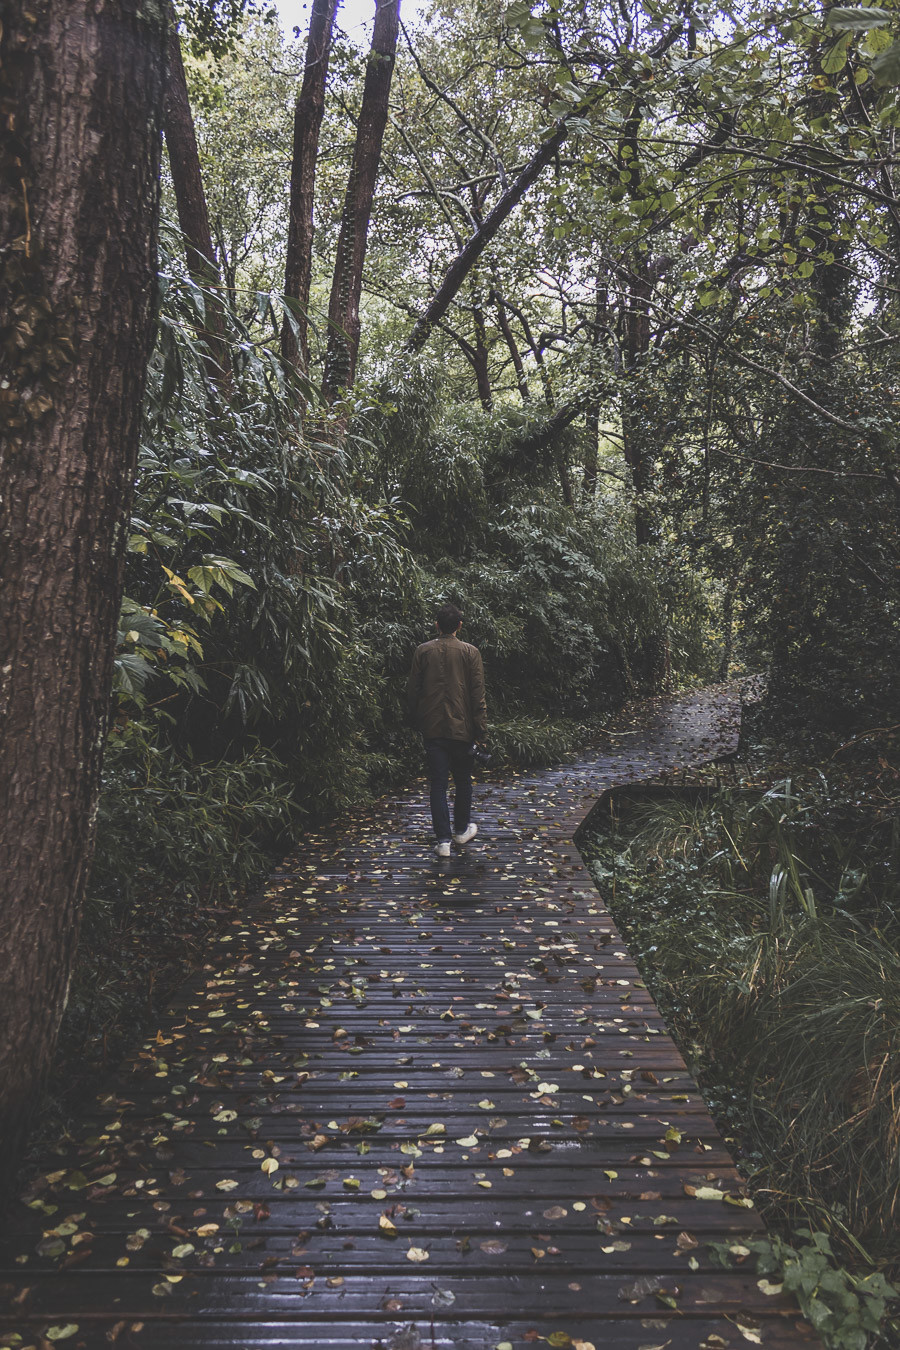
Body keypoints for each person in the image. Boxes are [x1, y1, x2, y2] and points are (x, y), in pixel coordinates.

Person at [407, 602, 488, 858]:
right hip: (462, 729)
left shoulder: (423, 651)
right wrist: (482, 732)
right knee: (463, 781)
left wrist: (414, 721)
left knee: (438, 784)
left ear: (437, 625)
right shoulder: (470, 652)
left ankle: (443, 842)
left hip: (433, 729)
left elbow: (413, 691)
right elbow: (478, 695)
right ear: (459, 626)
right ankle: (461, 831)